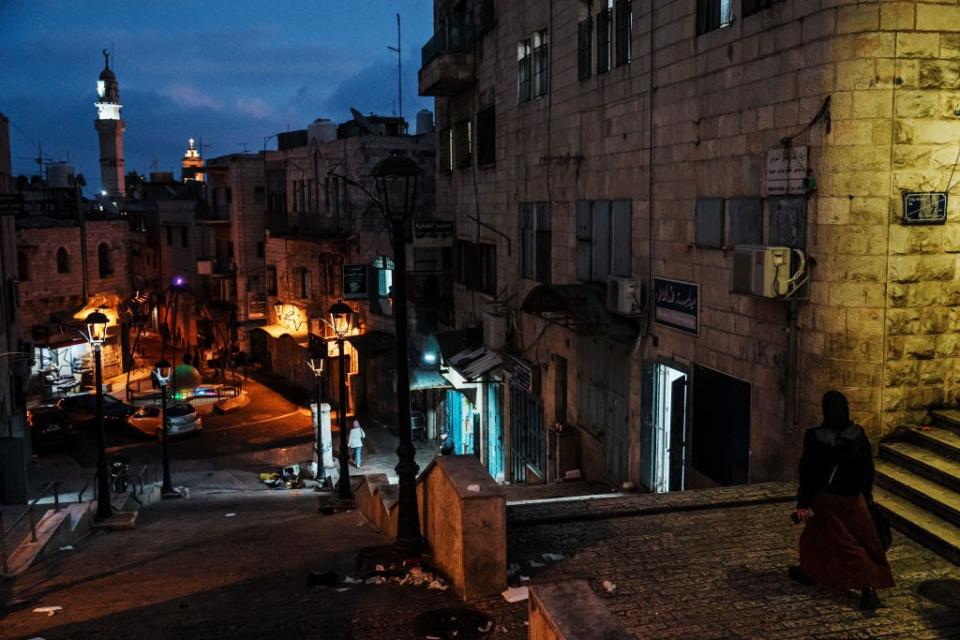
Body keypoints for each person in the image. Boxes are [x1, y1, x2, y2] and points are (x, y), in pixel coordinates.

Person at [791, 390, 894, 610]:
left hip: (828, 501)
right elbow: (868, 470)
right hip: (853, 499)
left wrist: (804, 502)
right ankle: (810, 572)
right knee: (815, 539)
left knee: (848, 546)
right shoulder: (858, 436)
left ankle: (868, 587)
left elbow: (808, 472)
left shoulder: (815, 437)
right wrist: (866, 496)